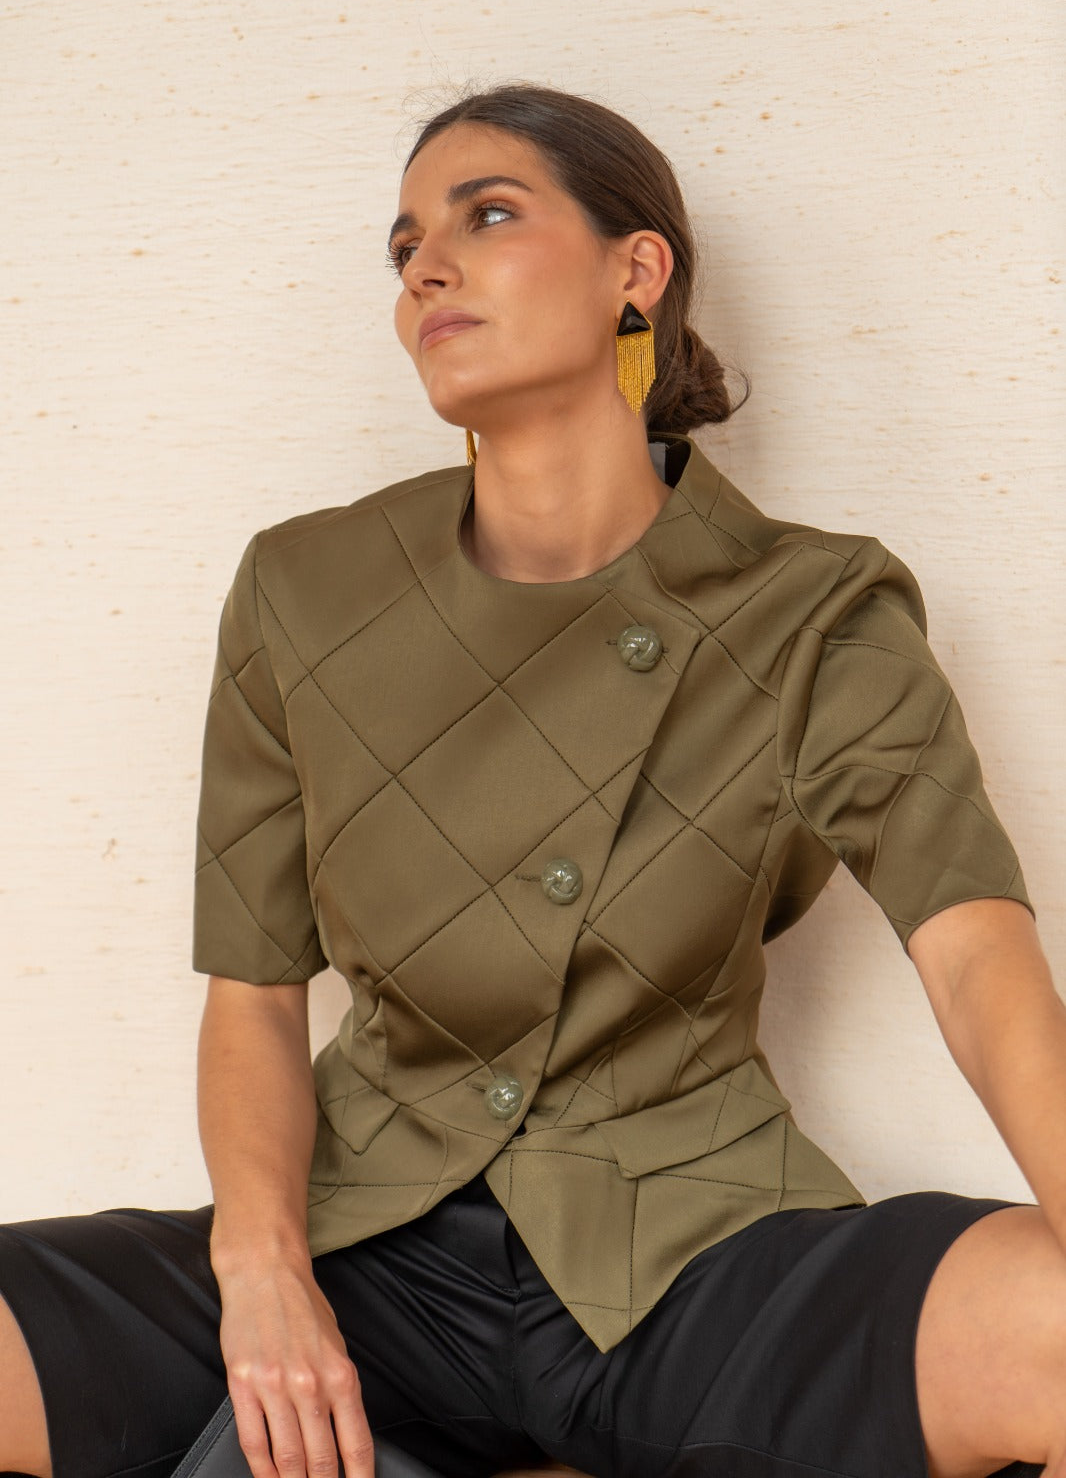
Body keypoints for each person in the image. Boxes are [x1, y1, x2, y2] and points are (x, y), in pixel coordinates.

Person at [1, 81, 1064, 1478]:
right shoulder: (301, 590)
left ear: (637, 271)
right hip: (360, 1250)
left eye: (486, 216)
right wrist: (262, 1277)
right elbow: (252, 995)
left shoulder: (812, 607)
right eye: (404, 246)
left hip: (689, 1248)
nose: (425, 267)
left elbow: (973, 950)